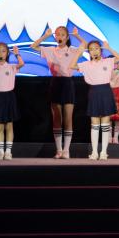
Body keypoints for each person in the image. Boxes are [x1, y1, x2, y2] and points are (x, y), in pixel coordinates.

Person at [66, 30, 119, 160]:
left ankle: (104, 152)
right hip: (94, 92)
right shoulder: (86, 64)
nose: (94, 51)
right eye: (91, 49)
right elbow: (71, 65)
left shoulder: (107, 62)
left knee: (105, 123)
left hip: (106, 92)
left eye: (97, 48)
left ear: (101, 50)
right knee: (94, 123)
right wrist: (79, 53)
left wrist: (108, 47)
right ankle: (94, 152)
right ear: (89, 52)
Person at [31, 25, 83, 159]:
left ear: (67, 37)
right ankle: (59, 150)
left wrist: (77, 35)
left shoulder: (72, 50)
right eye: (57, 34)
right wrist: (45, 36)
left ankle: (66, 150)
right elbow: (33, 46)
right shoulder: (50, 50)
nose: (59, 37)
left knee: (68, 117)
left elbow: (85, 45)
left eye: (62, 35)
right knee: (57, 118)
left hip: (68, 83)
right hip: (55, 83)